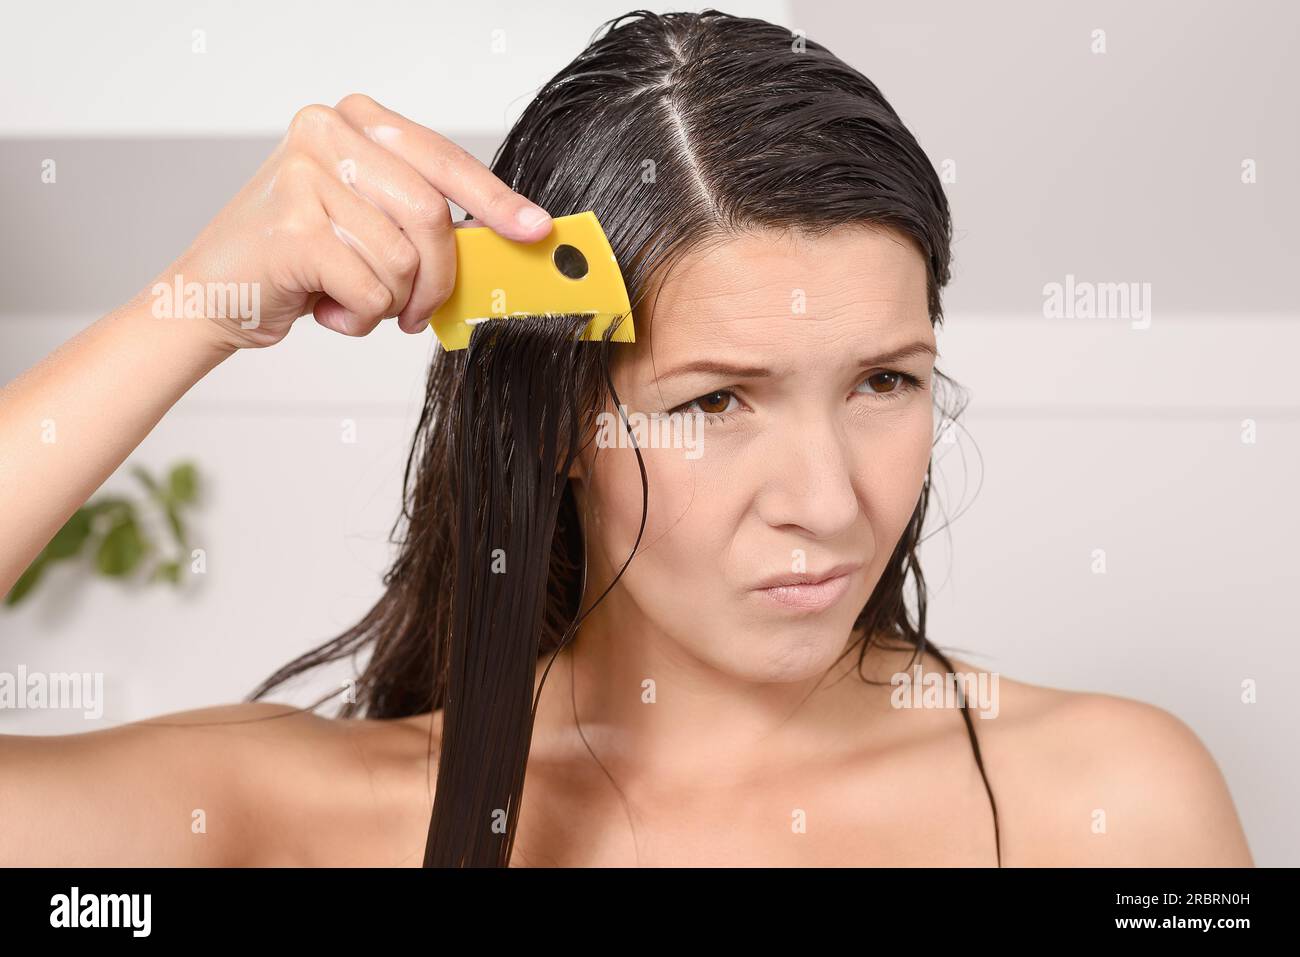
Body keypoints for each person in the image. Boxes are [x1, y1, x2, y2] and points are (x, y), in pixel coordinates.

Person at [0, 10, 1252, 868]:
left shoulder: (1110, 806)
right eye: (715, 400)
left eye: (883, 380)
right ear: (555, 423)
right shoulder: (305, 822)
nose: (825, 501)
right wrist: (197, 303)